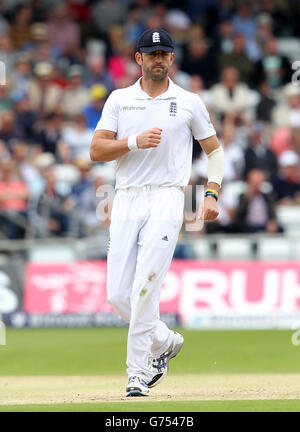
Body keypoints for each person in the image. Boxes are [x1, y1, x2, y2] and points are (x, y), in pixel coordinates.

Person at [90, 29, 224, 397]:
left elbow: (214, 151)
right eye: (151, 54)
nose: (158, 59)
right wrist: (134, 142)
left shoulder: (189, 101)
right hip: (127, 197)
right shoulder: (120, 99)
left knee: (146, 287)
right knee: (119, 296)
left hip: (167, 198)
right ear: (139, 59)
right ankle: (164, 340)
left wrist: (211, 193)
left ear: (173, 58)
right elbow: (96, 151)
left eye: (164, 53)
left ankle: (138, 372)